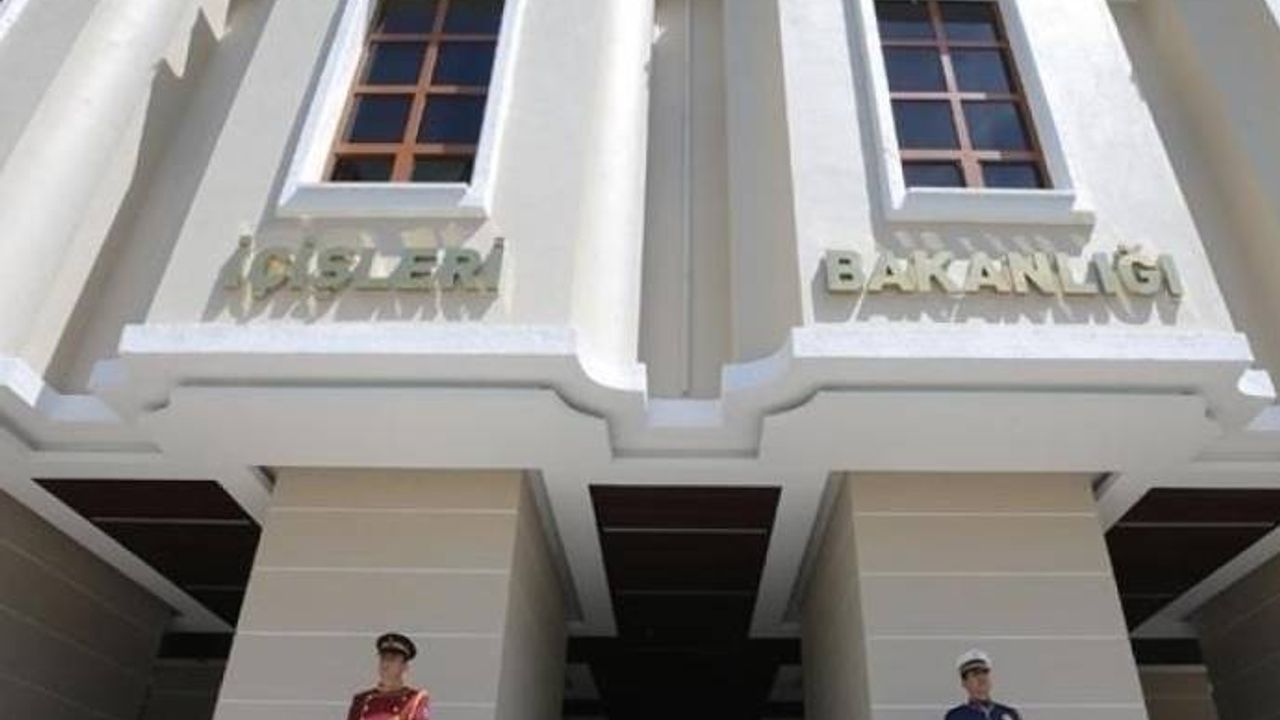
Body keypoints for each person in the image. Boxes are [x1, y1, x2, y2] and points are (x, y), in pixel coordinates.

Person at [346, 632, 431, 720]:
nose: (385, 664)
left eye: (392, 659)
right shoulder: (361, 700)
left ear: (404, 666)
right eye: (383, 658)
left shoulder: (414, 700)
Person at [945, 650, 1021, 720]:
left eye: (985, 673)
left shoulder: (1009, 714)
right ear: (964, 682)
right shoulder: (956, 716)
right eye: (975, 674)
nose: (981, 678)